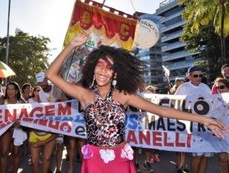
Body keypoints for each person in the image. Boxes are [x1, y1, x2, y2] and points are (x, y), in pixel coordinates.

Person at [45, 34, 227, 173]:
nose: (103, 71)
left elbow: (162, 111)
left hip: (120, 161)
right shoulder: (83, 94)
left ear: (116, 73)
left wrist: (203, 119)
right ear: (93, 68)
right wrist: (71, 45)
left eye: (110, 68)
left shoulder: (124, 95)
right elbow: (50, 75)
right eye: (100, 65)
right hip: (93, 162)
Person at [175, 66, 212, 173]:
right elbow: (175, 104)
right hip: (192, 126)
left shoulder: (205, 87)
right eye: (195, 75)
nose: (198, 77)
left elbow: (212, 103)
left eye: (201, 75)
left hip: (206, 125)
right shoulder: (183, 88)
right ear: (189, 76)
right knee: (197, 155)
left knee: (205, 155)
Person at [29, 72, 66, 173]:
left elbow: (66, 104)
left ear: (47, 79)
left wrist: (61, 100)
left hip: (55, 127)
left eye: (44, 80)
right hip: (40, 128)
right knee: (36, 160)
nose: (42, 83)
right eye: (40, 82)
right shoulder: (38, 93)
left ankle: (58, 168)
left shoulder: (57, 89)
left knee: (53, 153)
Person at [0, 81, 27, 173]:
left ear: (17, 91)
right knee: (4, 153)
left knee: (16, 153)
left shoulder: (21, 102)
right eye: (8, 89)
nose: (10, 91)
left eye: (12, 89)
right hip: (5, 129)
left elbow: (28, 117)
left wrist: (21, 122)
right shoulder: (3, 100)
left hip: (18, 129)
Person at [212, 77, 229, 173]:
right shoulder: (214, 100)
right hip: (223, 133)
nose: (219, 90)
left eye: (221, 87)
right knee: (222, 158)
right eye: (217, 88)